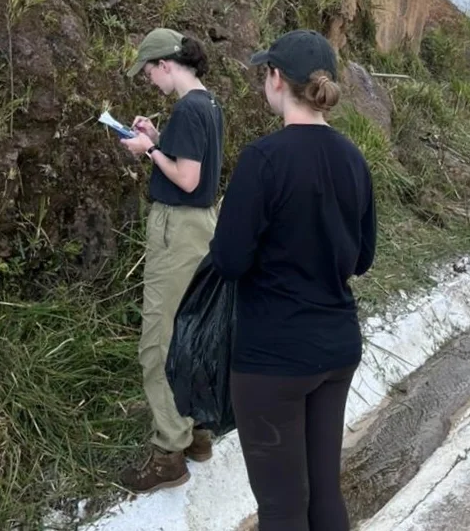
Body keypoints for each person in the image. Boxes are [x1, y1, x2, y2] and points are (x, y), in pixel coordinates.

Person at [209, 29, 377, 531]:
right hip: (337, 347)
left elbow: (229, 261)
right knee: (324, 494)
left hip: (273, 358)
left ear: (277, 78)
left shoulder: (264, 159)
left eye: (266, 72)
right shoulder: (353, 159)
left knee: (282, 507)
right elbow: (362, 258)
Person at [118, 28, 225, 492]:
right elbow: (195, 165)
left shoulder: (187, 106)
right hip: (203, 226)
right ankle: (199, 433)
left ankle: (168, 455)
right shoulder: (208, 104)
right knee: (191, 330)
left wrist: (149, 150)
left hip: (177, 229)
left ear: (165, 63)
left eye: (148, 71)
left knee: (158, 342)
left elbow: (185, 176)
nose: (148, 80)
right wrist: (159, 138)